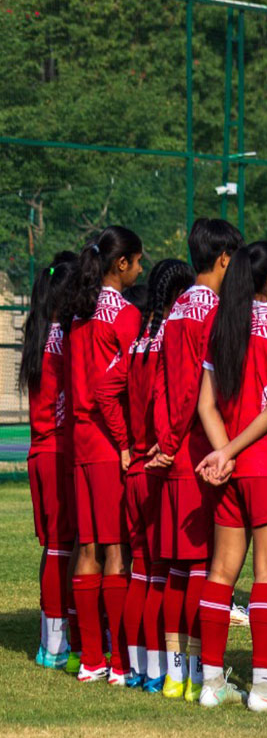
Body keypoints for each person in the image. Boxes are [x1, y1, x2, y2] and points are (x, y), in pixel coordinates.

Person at [190, 242, 267, 711]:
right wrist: (234, 451)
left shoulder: (223, 323)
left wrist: (223, 455)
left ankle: (212, 682)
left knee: (220, 573)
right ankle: (262, 685)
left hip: (231, 470)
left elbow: (205, 405)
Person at [153, 218, 241, 702]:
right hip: (198, 449)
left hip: (177, 446)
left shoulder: (177, 306)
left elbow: (167, 383)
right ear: (225, 259)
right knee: (203, 566)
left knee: (176, 568)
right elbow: (193, 387)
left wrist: (162, 436)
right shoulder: (211, 308)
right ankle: (196, 669)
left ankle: (174, 672)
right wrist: (175, 440)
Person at [67, 226, 144, 685]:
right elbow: (108, 390)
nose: (141, 268)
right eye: (137, 261)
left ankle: (91, 658)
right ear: (121, 265)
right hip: (107, 443)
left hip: (79, 441)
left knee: (88, 547)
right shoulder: (125, 316)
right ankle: (118, 662)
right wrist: (124, 443)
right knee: (116, 548)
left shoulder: (78, 313)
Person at [123, 259, 194, 693]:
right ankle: (172, 671)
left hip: (133, 466)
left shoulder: (138, 343)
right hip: (161, 467)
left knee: (141, 574)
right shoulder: (172, 339)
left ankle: (140, 668)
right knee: (170, 576)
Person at [21, 254, 78, 670]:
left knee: (54, 548)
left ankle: (50, 636)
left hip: (40, 451)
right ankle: (56, 643)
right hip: (58, 451)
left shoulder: (40, 333)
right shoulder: (65, 336)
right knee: (61, 548)